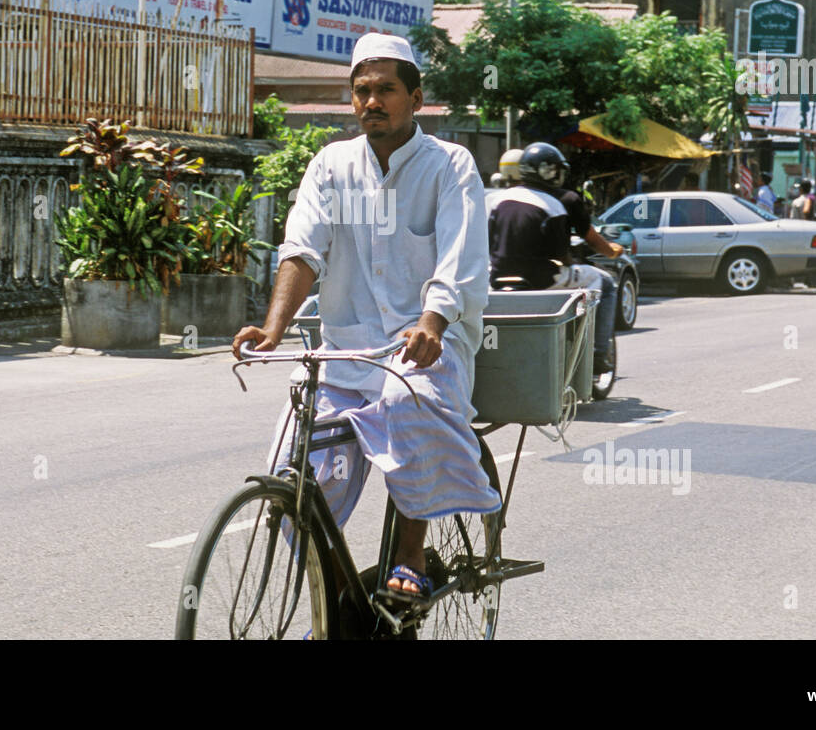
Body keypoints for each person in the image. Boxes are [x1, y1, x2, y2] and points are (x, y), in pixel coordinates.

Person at [232, 32, 500, 608]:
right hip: (347, 353)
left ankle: (411, 553)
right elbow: (302, 249)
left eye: (386, 90)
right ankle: (336, 598)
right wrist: (273, 327)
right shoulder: (332, 166)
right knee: (293, 465)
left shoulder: (449, 166)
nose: (372, 102)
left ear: (416, 98)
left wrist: (432, 320)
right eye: (362, 91)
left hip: (430, 344)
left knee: (408, 404)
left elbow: (460, 258)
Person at [487, 142, 624, 374]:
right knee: (602, 282)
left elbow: (488, 241)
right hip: (541, 279)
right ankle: (598, 354)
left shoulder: (498, 200)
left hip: (497, 277)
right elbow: (561, 257)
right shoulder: (555, 204)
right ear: (549, 171)